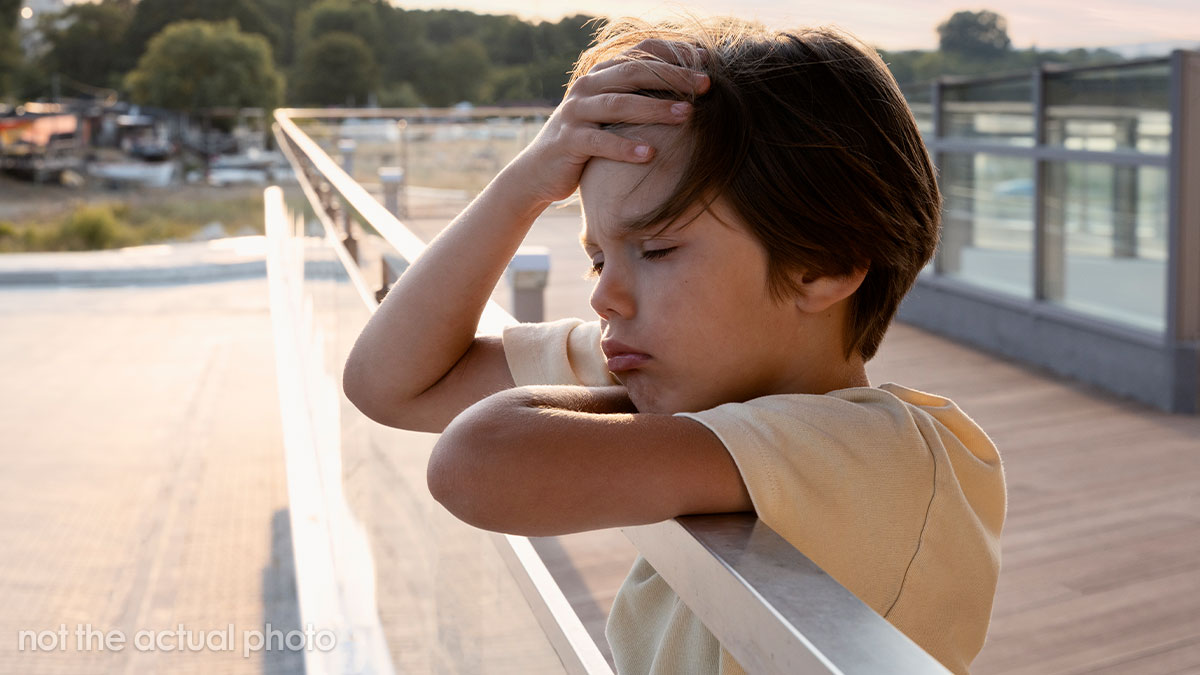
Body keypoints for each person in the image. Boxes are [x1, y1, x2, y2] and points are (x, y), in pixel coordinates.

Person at [343, 16, 1006, 675]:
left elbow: (473, 461)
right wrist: (525, 183)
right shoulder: (674, 367)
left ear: (821, 266)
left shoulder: (894, 454)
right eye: (600, 260)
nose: (607, 297)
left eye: (656, 249)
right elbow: (388, 382)